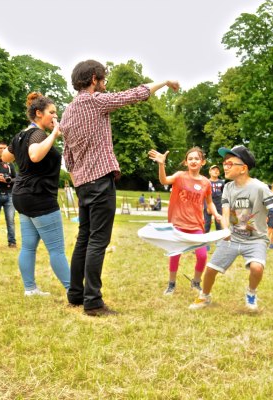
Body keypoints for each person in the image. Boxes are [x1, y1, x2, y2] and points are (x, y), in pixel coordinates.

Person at [60, 59, 179, 316]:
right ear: (93, 79)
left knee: (84, 238)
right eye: (103, 79)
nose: (105, 84)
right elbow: (135, 94)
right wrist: (165, 82)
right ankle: (93, 301)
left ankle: (76, 295)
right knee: (97, 241)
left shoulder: (67, 111)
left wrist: (77, 177)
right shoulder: (95, 101)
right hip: (100, 181)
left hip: (82, 183)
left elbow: (67, 155)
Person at [189, 145, 273, 312]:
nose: (225, 166)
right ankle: (205, 296)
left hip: (255, 239)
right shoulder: (228, 188)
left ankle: (251, 292)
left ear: (243, 168)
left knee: (257, 268)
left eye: (230, 163)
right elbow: (225, 213)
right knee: (210, 270)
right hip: (233, 237)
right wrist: (225, 229)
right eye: (224, 163)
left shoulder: (260, 188)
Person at [1, 92, 70, 296]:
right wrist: (54, 134)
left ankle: (30, 288)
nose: (56, 116)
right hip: (39, 197)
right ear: (38, 113)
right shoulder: (39, 134)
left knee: (28, 246)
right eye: (52, 112)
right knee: (56, 248)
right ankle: (73, 290)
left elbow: (5, 156)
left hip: (21, 196)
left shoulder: (21, 135)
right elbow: (35, 155)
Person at [148, 147, 221, 295]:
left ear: (203, 162)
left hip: (196, 225)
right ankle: (171, 284)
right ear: (186, 162)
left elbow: (210, 202)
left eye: (196, 159)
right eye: (190, 159)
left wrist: (216, 214)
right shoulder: (180, 176)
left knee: (202, 255)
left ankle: (196, 282)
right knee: (175, 254)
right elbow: (164, 180)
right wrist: (161, 164)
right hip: (178, 224)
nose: (193, 161)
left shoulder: (206, 183)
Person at [0, 141, 17, 248]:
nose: (3, 150)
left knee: (11, 220)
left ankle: (12, 242)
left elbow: (17, 179)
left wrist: (9, 180)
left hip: (9, 195)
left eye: (5, 148)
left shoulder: (10, 163)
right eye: (0, 148)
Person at [204, 165, 225, 233]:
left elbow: (224, 194)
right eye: (213, 169)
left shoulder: (222, 182)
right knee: (207, 224)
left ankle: (219, 242)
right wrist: (206, 206)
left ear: (219, 173)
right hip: (208, 203)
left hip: (219, 204)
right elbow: (203, 195)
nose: (216, 171)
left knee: (219, 224)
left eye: (217, 170)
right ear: (210, 172)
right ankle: (203, 241)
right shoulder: (206, 182)